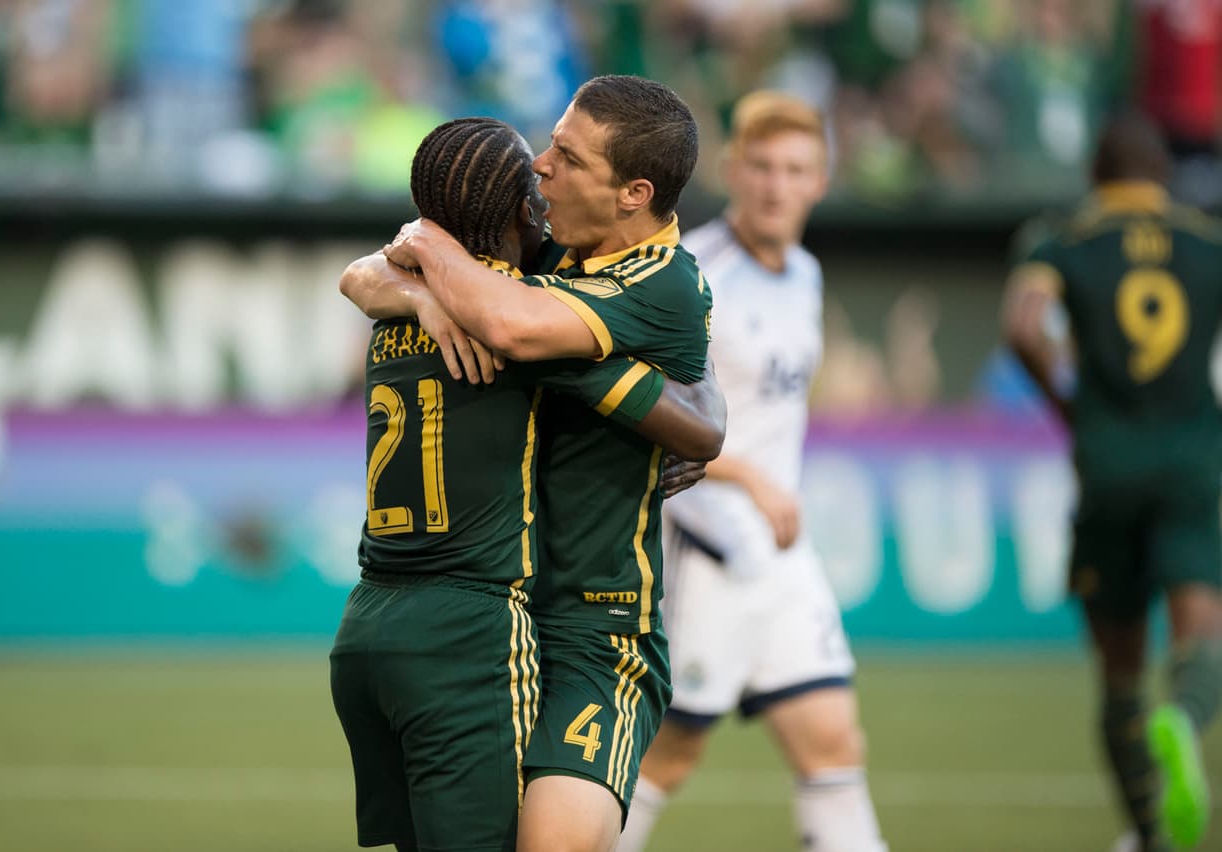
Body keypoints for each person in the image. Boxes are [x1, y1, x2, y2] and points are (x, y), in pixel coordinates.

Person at [330, 116, 724, 852]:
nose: (542, 169)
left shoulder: (651, 280)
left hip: (593, 634)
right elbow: (364, 274)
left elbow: (700, 420)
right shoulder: (529, 275)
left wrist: (423, 258)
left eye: (566, 158)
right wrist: (420, 276)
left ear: (633, 193)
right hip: (501, 625)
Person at [612, 91, 887, 852]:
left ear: (820, 180)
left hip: (780, 556)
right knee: (670, 754)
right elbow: (646, 412)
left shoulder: (804, 274)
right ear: (733, 170)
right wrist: (753, 480)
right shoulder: (694, 276)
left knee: (832, 743)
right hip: (708, 548)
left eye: (795, 168)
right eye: (761, 167)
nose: (776, 185)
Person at [1003, 108, 1222, 852]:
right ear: (1162, 174)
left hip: (1106, 461)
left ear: (1097, 173)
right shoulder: (1205, 239)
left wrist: (1067, 402)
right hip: (1192, 455)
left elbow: (1025, 326)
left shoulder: (1063, 237)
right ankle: (1188, 719)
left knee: (1120, 669)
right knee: (1200, 632)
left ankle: (1146, 834)